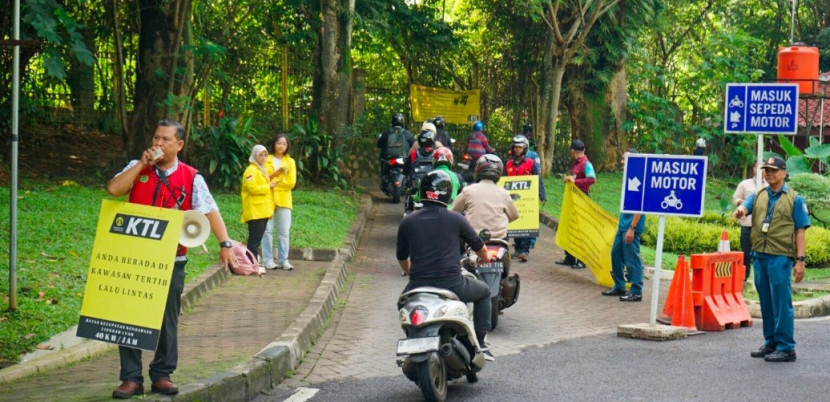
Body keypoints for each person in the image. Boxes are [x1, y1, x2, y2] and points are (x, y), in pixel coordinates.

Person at [106, 119, 233, 399]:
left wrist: (225, 244)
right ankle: (130, 378)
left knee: (167, 319)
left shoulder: (191, 176)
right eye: (155, 138)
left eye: (165, 139)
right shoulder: (136, 167)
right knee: (128, 316)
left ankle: (162, 374)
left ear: (179, 145)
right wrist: (141, 165)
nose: (158, 144)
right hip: (133, 257)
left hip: (172, 259)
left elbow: (210, 210)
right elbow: (114, 190)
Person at [397, 170, 494, 360]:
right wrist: (485, 258)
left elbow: (401, 257)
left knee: (402, 303)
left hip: (418, 284)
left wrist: (411, 273)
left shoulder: (407, 221)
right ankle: (481, 343)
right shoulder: (456, 219)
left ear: (422, 191)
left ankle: (413, 336)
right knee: (484, 292)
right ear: (448, 194)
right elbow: (480, 247)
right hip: (451, 283)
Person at [733, 156, 810, 363]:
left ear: (784, 173)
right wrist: (740, 210)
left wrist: (800, 260)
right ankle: (771, 342)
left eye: (774, 170)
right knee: (766, 301)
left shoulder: (795, 198)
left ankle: (786, 347)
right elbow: (745, 207)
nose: (769, 174)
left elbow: (800, 230)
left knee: (781, 302)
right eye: (766, 170)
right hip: (759, 255)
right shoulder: (758, 195)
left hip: (780, 257)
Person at [603, 149, 646, 302]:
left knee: (632, 258)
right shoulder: (628, 177)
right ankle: (619, 285)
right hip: (623, 225)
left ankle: (636, 290)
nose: (621, 162)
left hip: (631, 227)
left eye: (624, 159)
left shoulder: (639, 178)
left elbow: (640, 207)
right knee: (616, 255)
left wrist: (632, 228)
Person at [452, 154, 519, 242]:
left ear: (478, 170)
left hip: (472, 238)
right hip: (499, 239)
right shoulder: (504, 193)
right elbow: (514, 215)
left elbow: (454, 211)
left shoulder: (468, 190)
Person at [555, 139, 596, 269]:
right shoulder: (577, 163)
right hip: (573, 200)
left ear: (573, 151)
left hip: (582, 200)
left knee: (580, 229)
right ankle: (570, 257)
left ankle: (582, 260)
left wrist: (574, 181)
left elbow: (592, 179)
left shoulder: (586, 164)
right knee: (570, 226)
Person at [505, 135, 546, 262]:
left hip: (527, 199)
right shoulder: (508, 165)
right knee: (515, 222)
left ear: (524, 148)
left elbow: (537, 179)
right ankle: (517, 248)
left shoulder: (530, 163)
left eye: (520, 147)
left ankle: (525, 250)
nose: (517, 149)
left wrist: (542, 194)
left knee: (526, 223)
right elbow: (503, 181)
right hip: (512, 199)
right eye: (515, 147)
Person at [261, 134, 298, 270]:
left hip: (284, 200)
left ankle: (284, 260)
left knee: (283, 231)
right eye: (278, 143)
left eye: (284, 144)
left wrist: (274, 184)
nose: (281, 146)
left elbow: (291, 183)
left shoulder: (291, 162)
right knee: (267, 230)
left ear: (287, 146)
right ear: (274, 144)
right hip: (268, 199)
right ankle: (267, 260)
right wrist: (275, 181)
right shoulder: (266, 159)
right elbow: (263, 178)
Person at [241, 144, 275, 267]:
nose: (263, 157)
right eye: (260, 155)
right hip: (255, 211)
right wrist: (268, 186)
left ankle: (252, 263)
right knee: (254, 240)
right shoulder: (251, 170)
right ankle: (251, 264)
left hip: (262, 210)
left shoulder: (261, 169)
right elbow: (253, 189)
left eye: (265, 155)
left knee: (257, 239)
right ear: (255, 155)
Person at [732, 161, 766, 282]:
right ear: (754, 169)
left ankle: (761, 279)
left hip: (763, 227)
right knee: (746, 252)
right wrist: (745, 204)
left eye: (763, 167)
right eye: (758, 167)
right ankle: (744, 277)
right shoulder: (744, 184)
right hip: (747, 224)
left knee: (761, 254)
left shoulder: (769, 186)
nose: (761, 169)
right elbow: (735, 198)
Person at [377, 112, 415, 192]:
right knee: (410, 170)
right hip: (403, 159)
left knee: (384, 169)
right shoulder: (407, 133)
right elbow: (413, 144)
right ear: (403, 122)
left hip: (389, 159)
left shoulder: (387, 132)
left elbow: (379, 144)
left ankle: (385, 183)